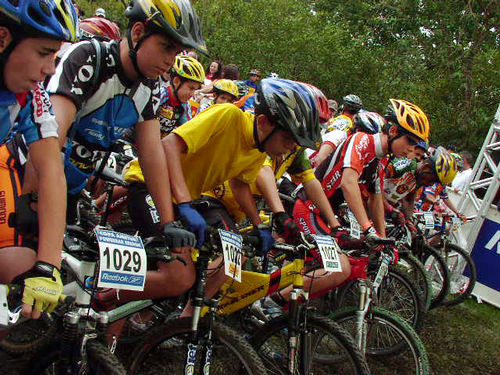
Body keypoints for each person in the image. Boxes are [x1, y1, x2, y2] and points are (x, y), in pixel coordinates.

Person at [43, 0, 208, 303]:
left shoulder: (152, 88)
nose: (171, 60)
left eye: (177, 51)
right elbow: (51, 138)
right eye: (166, 47)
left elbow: (152, 154)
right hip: (33, 174)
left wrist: (168, 222)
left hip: (72, 182)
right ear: (137, 32)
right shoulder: (89, 57)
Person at [0, 0, 78, 321]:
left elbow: (50, 172)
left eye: (55, 57)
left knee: (21, 264)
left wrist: (48, 265)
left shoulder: (32, 94)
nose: (50, 69)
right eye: (44, 53)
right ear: (3, 39)